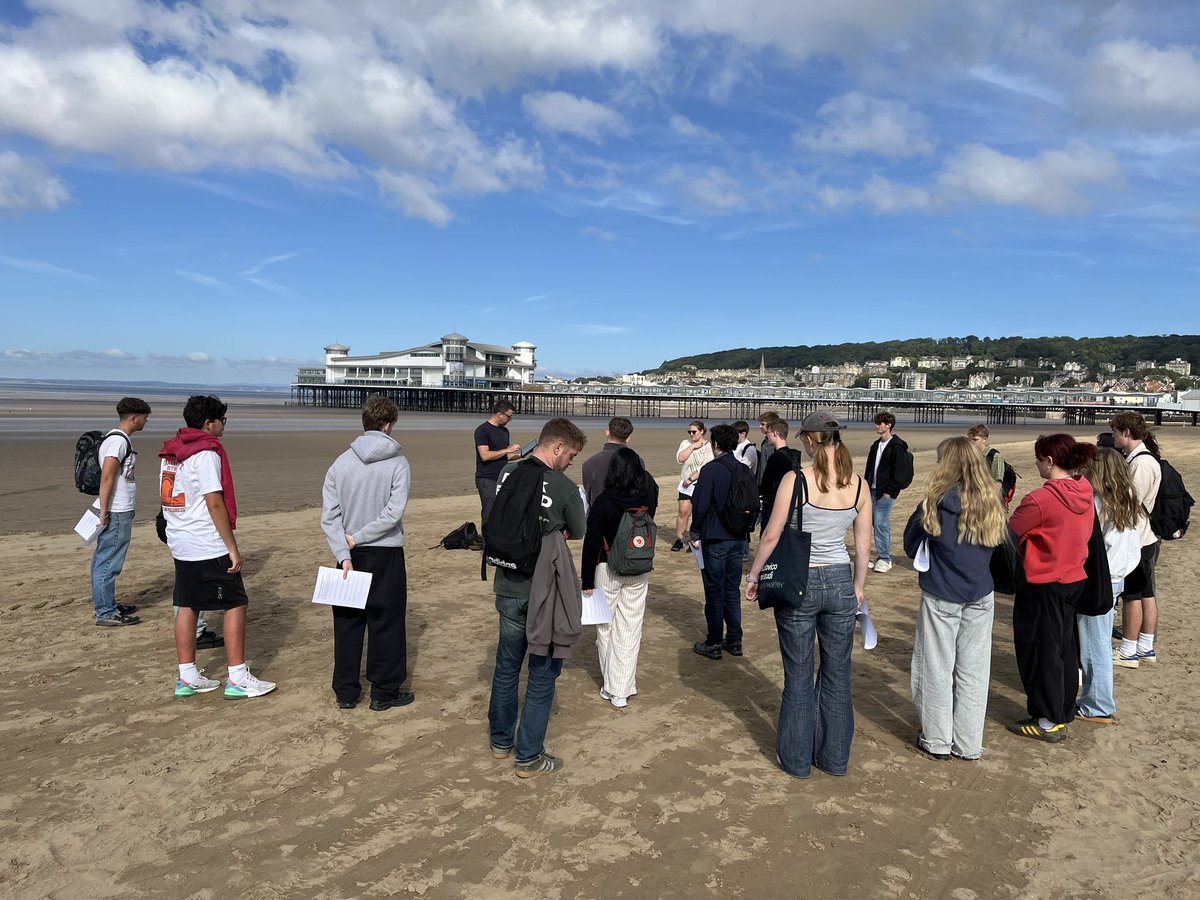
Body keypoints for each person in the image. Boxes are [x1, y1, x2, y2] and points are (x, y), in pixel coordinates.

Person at [744, 411, 871, 778]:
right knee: (837, 675)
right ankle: (833, 759)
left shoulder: (797, 479)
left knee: (799, 677)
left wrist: (754, 575)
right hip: (840, 581)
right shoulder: (859, 485)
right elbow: (863, 548)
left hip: (801, 582)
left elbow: (771, 534)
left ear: (812, 442)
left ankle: (798, 761)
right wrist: (858, 587)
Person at [487, 417, 587, 777]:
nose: (572, 461)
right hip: (544, 590)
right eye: (571, 454)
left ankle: (500, 741)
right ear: (557, 447)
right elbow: (579, 529)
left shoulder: (507, 474)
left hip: (507, 583)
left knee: (507, 666)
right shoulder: (562, 485)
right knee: (543, 674)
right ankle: (528, 755)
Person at [160, 396, 276, 700]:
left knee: (187, 603)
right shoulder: (205, 453)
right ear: (208, 423)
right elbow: (214, 502)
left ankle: (187, 676)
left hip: (181, 539)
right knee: (235, 602)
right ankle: (237, 677)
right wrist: (232, 547)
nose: (223, 426)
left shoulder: (171, 451)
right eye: (222, 420)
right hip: (205, 542)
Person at [903, 437, 1006, 761]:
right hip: (979, 593)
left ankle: (937, 740)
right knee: (973, 671)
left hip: (943, 594)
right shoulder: (992, 501)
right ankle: (968, 742)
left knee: (936, 668)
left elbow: (910, 544)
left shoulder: (935, 501)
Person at [321, 394, 413, 711]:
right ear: (388, 426)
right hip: (381, 553)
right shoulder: (398, 462)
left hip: (350, 552)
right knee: (385, 622)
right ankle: (384, 691)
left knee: (347, 623)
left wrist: (345, 550)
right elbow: (393, 514)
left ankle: (346, 692)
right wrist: (353, 542)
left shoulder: (340, 463)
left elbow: (330, 517)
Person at [1007, 434, 1097, 742]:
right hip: (1073, 579)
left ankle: (1048, 719)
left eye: (1037, 459)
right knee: (1063, 648)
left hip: (1044, 582)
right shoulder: (1084, 489)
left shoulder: (1040, 500)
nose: (1035, 464)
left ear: (1049, 461)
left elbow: (1009, 533)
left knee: (1041, 651)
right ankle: (1062, 709)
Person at [580, 447, 658, 709]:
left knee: (606, 628)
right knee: (630, 628)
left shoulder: (603, 501)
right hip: (638, 567)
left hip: (606, 567)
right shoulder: (647, 496)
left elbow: (591, 542)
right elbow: (652, 491)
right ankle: (623, 687)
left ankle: (612, 687)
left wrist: (586, 582)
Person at [1078, 448, 1142, 723]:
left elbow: (1097, 547)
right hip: (1118, 577)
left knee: (1094, 644)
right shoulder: (1127, 498)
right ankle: (1096, 699)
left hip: (1101, 579)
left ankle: (1099, 705)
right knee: (1098, 640)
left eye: (1089, 471)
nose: (1083, 474)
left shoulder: (1099, 504)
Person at [691, 424, 752, 660]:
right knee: (731, 590)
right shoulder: (742, 468)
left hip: (716, 537)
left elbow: (701, 505)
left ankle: (714, 641)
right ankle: (734, 640)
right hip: (738, 536)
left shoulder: (711, 469)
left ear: (715, 444)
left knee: (715, 592)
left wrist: (695, 532)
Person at [90, 397, 151, 627]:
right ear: (133, 418)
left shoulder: (117, 439)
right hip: (116, 510)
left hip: (117, 509)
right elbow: (107, 477)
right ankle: (106, 612)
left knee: (106, 558)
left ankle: (108, 603)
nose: (146, 422)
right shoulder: (118, 442)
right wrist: (104, 512)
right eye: (145, 418)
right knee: (108, 561)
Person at [1110, 412, 1162, 668]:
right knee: (1145, 593)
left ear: (1126, 433)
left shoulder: (1140, 463)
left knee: (1133, 595)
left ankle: (1130, 649)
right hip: (1146, 536)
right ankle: (1144, 645)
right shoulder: (1143, 459)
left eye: (1115, 432)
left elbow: (1130, 503)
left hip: (1139, 539)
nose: (1113, 437)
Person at [863, 411, 910, 573]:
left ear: (888, 425)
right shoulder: (876, 445)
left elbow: (900, 472)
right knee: (868, 524)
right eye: (876, 423)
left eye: (880, 423)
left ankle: (885, 558)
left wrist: (890, 491)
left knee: (881, 525)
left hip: (885, 492)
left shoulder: (897, 446)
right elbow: (869, 469)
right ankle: (874, 557)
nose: (877, 426)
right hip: (872, 490)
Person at [475, 400, 520, 532]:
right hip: (487, 478)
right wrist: (507, 450)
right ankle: (488, 547)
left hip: (502, 477)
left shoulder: (504, 431)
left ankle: (498, 542)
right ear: (499, 414)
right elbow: (485, 455)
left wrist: (521, 455)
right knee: (489, 514)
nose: (510, 419)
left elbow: (504, 456)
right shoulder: (482, 430)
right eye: (509, 416)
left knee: (502, 512)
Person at [672, 421, 713, 551]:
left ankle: (695, 540)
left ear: (701, 431)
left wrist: (691, 479)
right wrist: (692, 446)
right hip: (685, 484)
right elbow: (680, 459)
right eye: (689, 431)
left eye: (694, 431)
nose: (691, 434)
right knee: (683, 512)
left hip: (699, 484)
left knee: (698, 512)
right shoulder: (686, 443)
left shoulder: (709, 447)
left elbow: (705, 467)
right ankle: (679, 539)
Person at [758, 419, 801, 527]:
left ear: (775, 433)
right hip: (790, 502)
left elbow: (765, 485)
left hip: (774, 504)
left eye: (768, 433)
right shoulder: (792, 455)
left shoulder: (776, 457)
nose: (767, 436)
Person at [582, 416, 631, 506]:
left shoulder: (588, 464)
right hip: (626, 517)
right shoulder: (638, 462)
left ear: (607, 433)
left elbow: (589, 496)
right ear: (628, 439)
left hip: (597, 516)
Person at [967, 424, 1005, 489]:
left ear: (984, 439)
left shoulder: (995, 456)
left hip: (987, 495)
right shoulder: (969, 455)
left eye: (975, 440)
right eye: (970, 440)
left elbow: (998, 483)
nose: (971, 442)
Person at [756, 411, 781, 482]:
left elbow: (767, 468)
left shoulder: (771, 445)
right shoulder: (766, 441)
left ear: (771, 426)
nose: (760, 426)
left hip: (765, 485)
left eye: (762, 424)